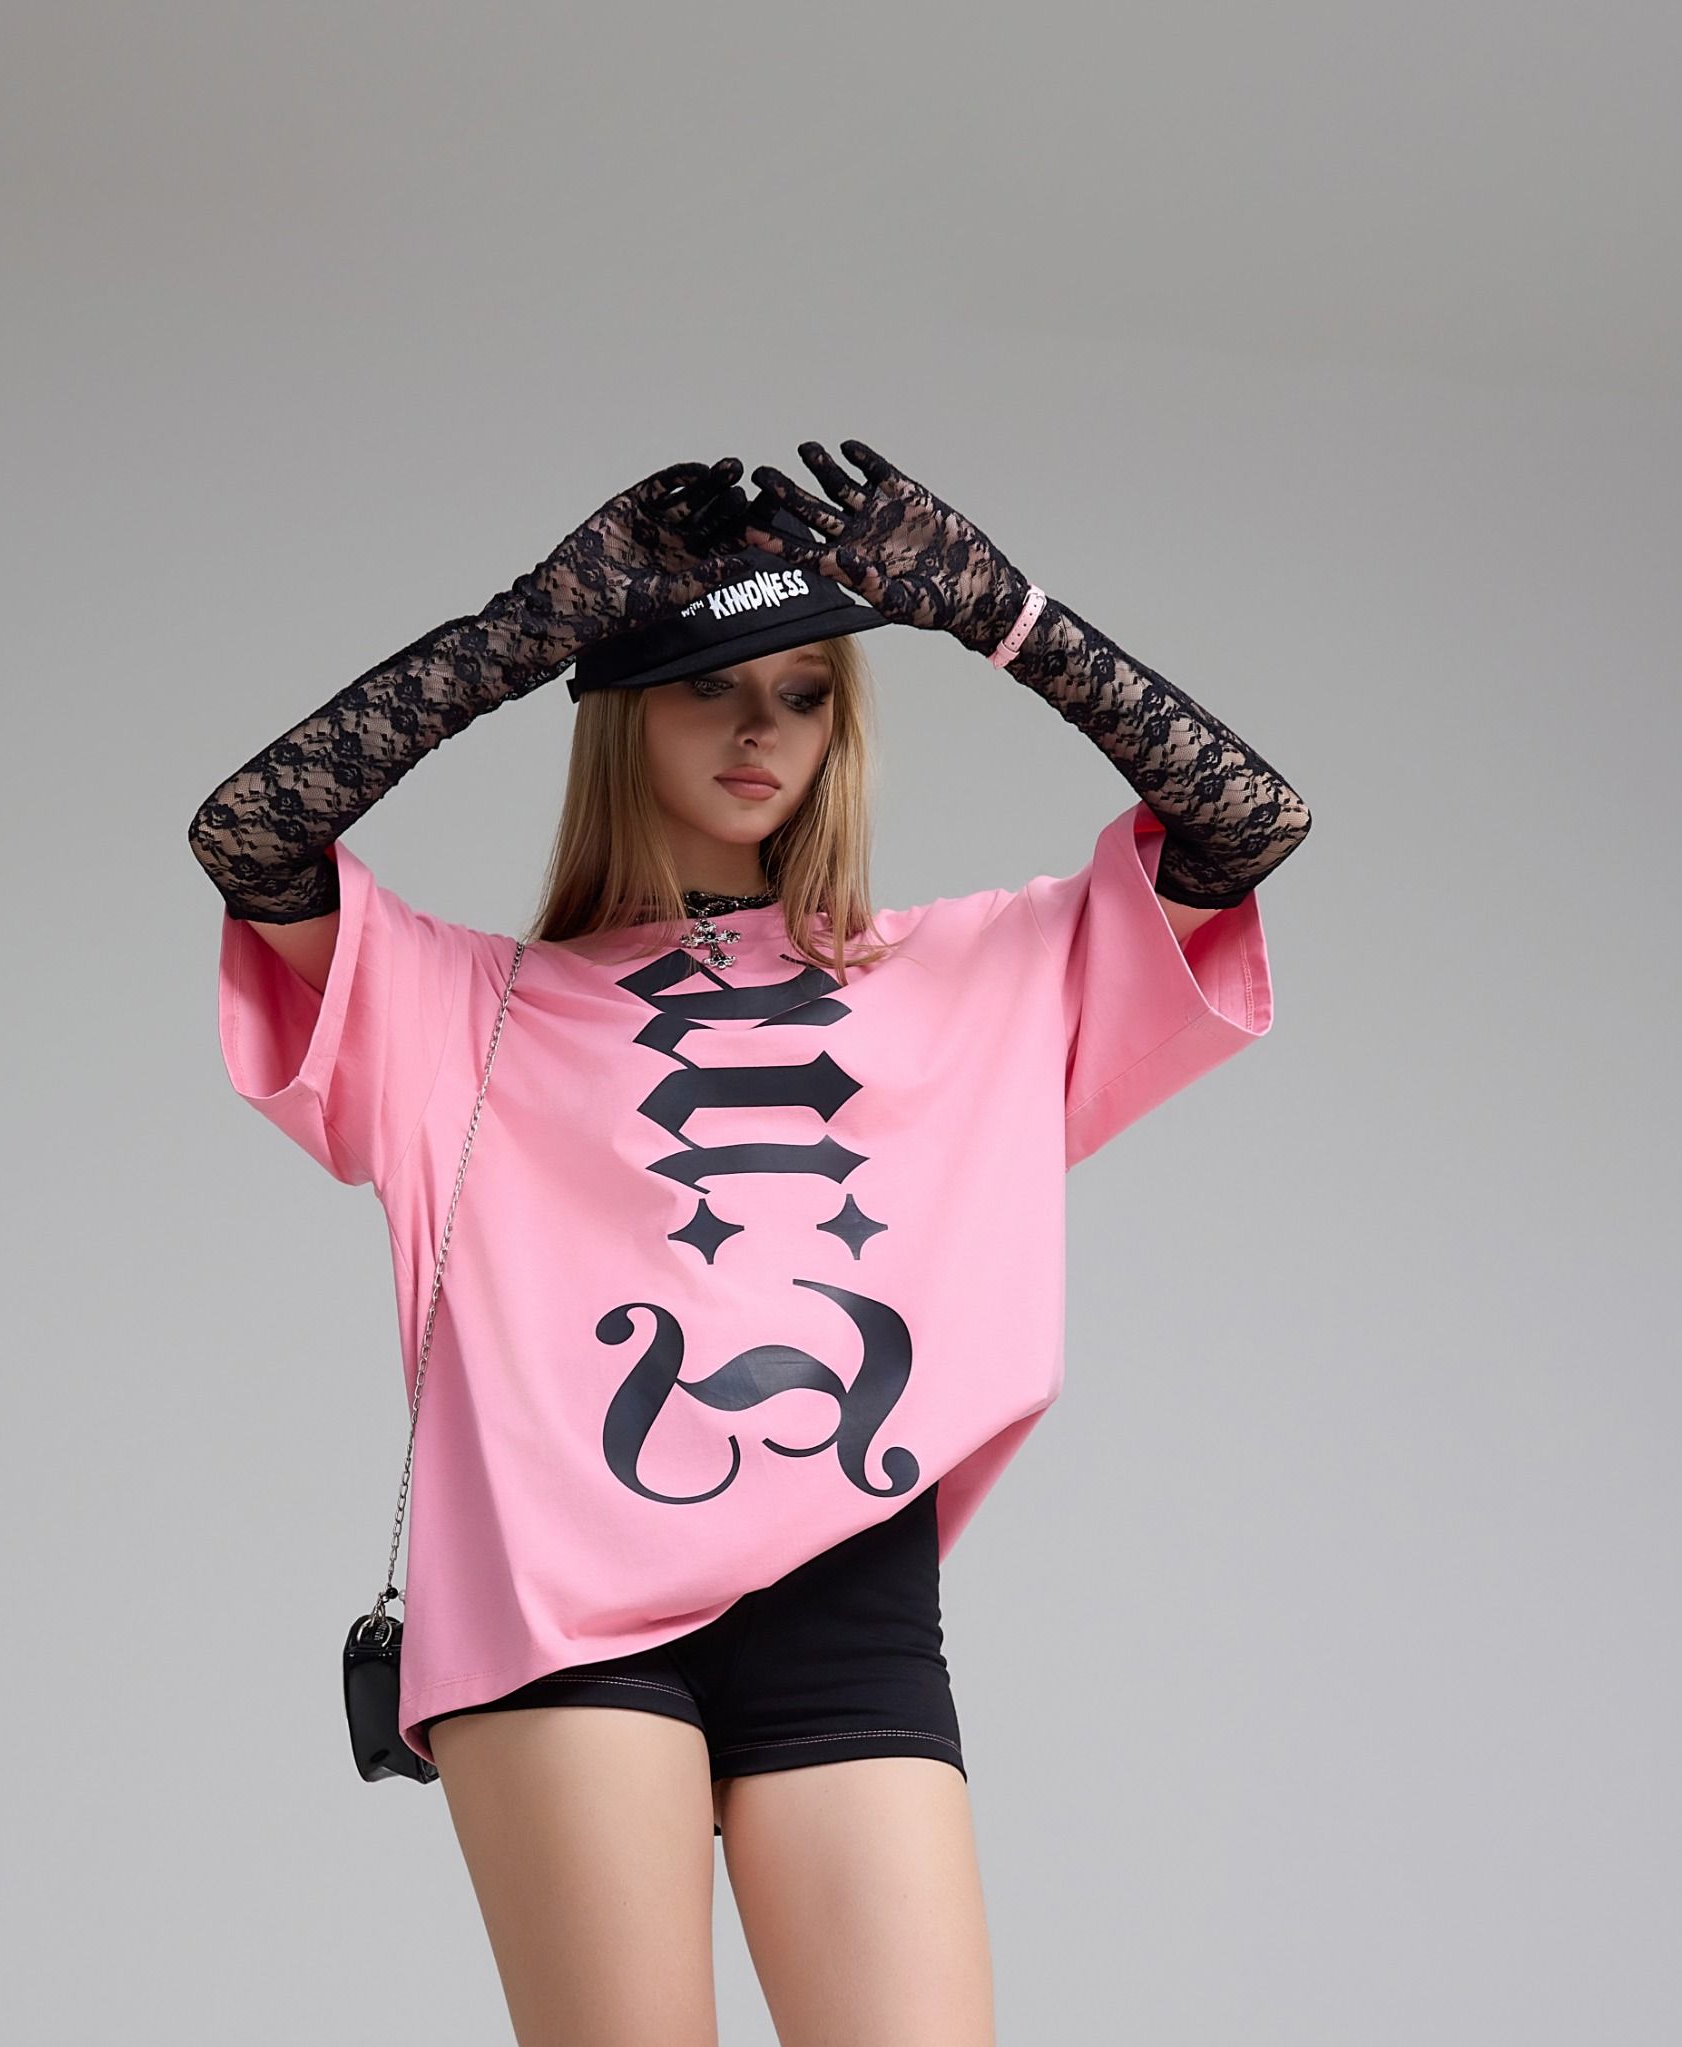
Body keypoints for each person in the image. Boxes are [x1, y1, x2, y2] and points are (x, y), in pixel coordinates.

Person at [187, 439, 1310, 2046]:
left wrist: (1004, 614)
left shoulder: (967, 974)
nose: (757, 729)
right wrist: (526, 632)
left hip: (850, 1604)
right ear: (626, 710)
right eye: (708, 685)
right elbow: (251, 838)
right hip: (559, 1614)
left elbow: (1244, 823)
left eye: (801, 692)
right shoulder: (465, 1004)